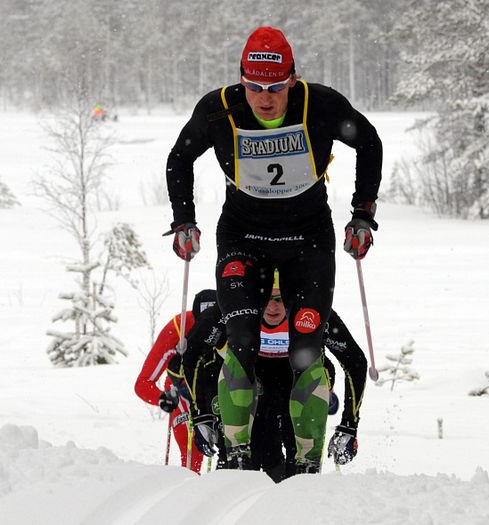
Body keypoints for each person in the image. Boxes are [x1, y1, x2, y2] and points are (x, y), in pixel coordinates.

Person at [164, 26, 382, 473]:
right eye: (256, 87)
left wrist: (362, 213)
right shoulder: (219, 109)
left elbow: (370, 142)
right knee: (240, 339)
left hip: (308, 242)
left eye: (276, 87)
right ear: (241, 79)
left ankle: (306, 468)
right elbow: (180, 157)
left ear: (293, 80)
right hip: (244, 239)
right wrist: (184, 219)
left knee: (307, 350)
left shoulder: (319, 104)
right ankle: (237, 459)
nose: (265, 99)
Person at [170, 271, 367, 480]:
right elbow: (192, 357)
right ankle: (238, 465)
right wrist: (201, 414)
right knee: (251, 444)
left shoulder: (311, 312)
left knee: (311, 383)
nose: (273, 308)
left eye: (280, 299)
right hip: (251, 379)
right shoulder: (232, 308)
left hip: (294, 380)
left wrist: (349, 425)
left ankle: (305, 472)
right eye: (266, 298)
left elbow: (355, 362)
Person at [134, 289, 217, 473]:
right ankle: (187, 491)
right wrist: (163, 398)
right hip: (182, 393)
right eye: (202, 324)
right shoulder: (178, 329)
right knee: (193, 453)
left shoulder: (230, 323)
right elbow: (142, 383)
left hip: (214, 391)